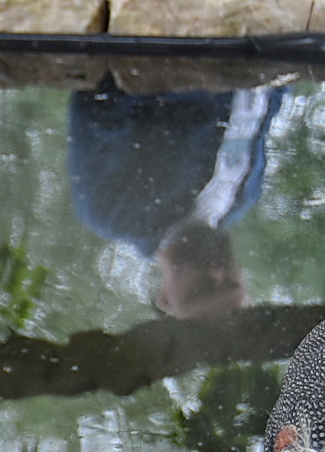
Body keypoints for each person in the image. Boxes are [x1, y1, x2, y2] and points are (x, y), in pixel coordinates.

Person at [68, 76, 282, 319]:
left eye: (202, 288)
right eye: (231, 284)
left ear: (165, 299)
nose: (217, 273)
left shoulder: (114, 214)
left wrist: (207, 76)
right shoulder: (244, 198)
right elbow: (266, 104)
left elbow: (97, 102)